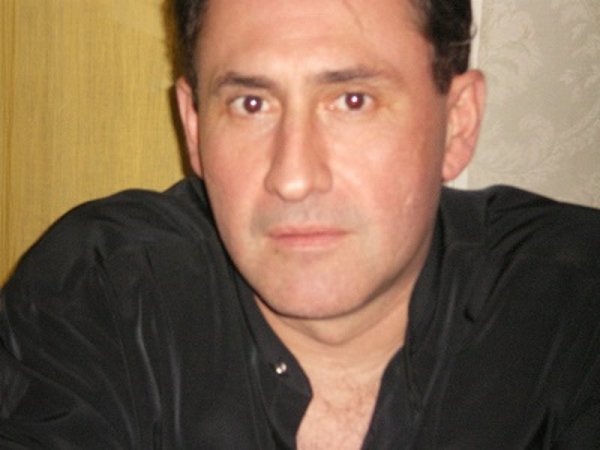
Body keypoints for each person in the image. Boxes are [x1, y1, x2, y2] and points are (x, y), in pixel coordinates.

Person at [1, 0, 599, 448]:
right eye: (251, 104)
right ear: (194, 127)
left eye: (353, 101)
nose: (292, 177)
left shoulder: (575, 308)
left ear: (458, 123)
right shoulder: (104, 293)